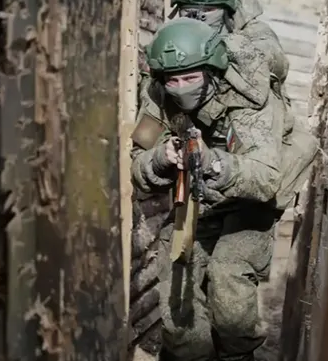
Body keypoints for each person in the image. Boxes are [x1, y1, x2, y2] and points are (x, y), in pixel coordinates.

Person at [130, 18, 317, 361]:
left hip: (255, 195)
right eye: (173, 80)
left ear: (212, 71)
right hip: (202, 195)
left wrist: (214, 162)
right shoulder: (158, 95)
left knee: (229, 273)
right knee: (176, 268)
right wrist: (161, 159)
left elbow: (264, 178)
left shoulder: (248, 97)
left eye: (190, 78)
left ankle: (237, 355)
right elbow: (137, 165)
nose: (180, 88)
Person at [169, 0, 289, 89]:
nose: (199, 16)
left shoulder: (253, 29)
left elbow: (278, 64)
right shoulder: (175, 32)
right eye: (189, 10)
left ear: (226, 9)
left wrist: (223, 47)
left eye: (208, 10)